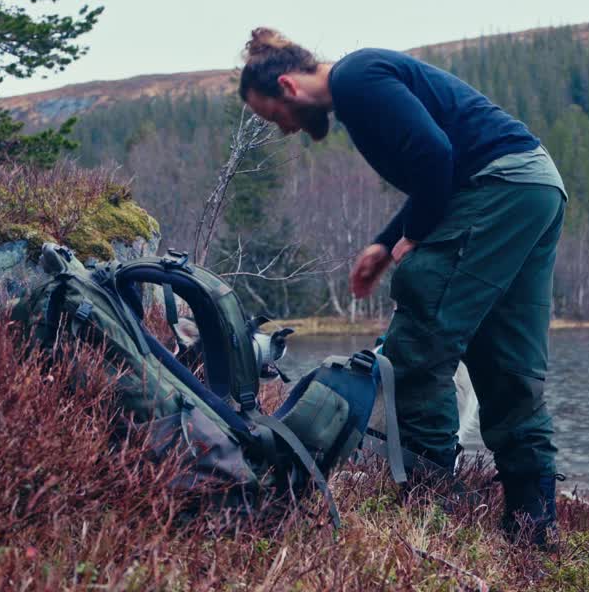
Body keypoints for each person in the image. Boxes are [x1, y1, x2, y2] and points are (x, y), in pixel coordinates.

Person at [238, 28, 567, 545]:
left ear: (287, 85)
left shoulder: (357, 78)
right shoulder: (360, 85)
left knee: (416, 358)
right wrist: (385, 243)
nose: (283, 130)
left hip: (497, 188)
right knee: (509, 368)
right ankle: (533, 534)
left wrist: (408, 242)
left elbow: (438, 160)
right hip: (534, 188)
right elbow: (433, 171)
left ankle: (434, 521)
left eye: (273, 115)